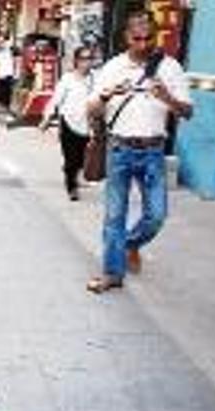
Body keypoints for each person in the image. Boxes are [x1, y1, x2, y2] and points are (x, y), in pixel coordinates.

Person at [85, 10, 193, 293]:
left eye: (148, 38)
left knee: (156, 216)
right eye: (137, 38)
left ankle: (131, 243)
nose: (143, 44)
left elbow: (188, 111)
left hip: (153, 151)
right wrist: (107, 94)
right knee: (113, 216)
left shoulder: (170, 67)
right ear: (126, 37)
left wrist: (167, 97)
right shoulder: (112, 67)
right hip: (119, 149)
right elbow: (92, 108)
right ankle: (112, 273)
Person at [39, 46, 96, 201]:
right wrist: (47, 117)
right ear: (76, 61)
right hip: (68, 122)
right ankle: (72, 187)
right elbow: (56, 100)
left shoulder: (95, 78)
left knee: (81, 158)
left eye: (90, 59)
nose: (87, 63)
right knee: (71, 158)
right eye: (84, 59)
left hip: (87, 124)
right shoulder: (67, 79)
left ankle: (73, 173)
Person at [0, 37, 16, 111]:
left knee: (6, 91)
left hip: (7, 73)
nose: (0, 44)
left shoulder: (8, 51)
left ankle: (5, 106)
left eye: (2, 42)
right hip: (0, 74)